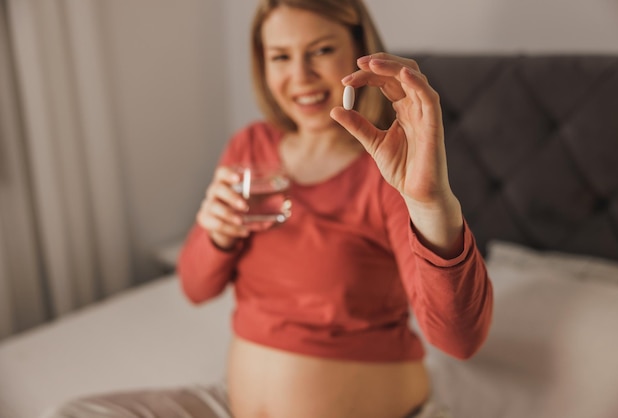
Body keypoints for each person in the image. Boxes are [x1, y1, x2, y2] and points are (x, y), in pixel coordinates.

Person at [47, 0, 492, 417]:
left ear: (360, 51)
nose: (300, 75)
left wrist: (429, 203)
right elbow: (196, 287)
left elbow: (459, 341)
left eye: (320, 50)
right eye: (280, 56)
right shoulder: (251, 146)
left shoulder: (389, 169)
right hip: (232, 404)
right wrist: (215, 232)